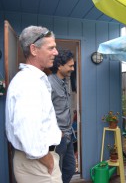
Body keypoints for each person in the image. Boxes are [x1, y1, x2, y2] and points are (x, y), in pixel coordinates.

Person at [5, 26, 62, 183]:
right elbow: (27, 131)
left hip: (37, 162)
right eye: (51, 47)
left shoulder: (33, 80)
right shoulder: (28, 83)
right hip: (37, 163)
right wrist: (47, 159)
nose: (56, 52)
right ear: (34, 50)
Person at [48, 49, 75, 183]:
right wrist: (58, 132)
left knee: (70, 168)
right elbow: (45, 112)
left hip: (68, 133)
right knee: (55, 172)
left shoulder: (66, 81)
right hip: (58, 137)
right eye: (70, 66)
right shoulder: (48, 83)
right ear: (59, 65)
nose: (73, 68)